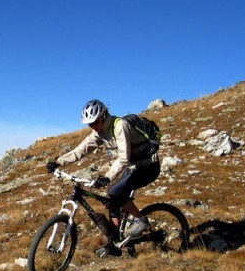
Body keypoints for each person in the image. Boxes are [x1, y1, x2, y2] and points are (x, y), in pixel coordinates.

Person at [46, 99, 161, 257]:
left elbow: (123, 159)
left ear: (103, 116)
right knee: (113, 201)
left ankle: (141, 220)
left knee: (113, 191)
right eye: (89, 124)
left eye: (94, 122)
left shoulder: (120, 126)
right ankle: (115, 243)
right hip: (133, 166)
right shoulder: (99, 132)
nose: (92, 126)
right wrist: (58, 162)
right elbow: (81, 150)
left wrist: (107, 177)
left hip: (148, 166)